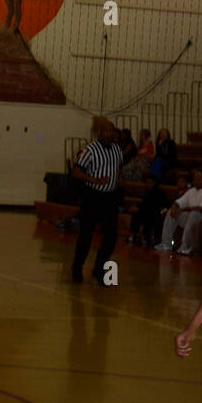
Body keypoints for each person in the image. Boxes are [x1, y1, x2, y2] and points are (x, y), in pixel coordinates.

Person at [70, 116, 123, 284]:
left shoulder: (117, 150)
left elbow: (119, 168)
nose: (110, 134)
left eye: (112, 131)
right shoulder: (90, 150)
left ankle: (99, 268)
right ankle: (77, 268)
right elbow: (76, 172)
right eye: (107, 131)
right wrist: (94, 180)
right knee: (86, 235)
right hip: (93, 196)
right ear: (100, 133)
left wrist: (118, 180)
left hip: (110, 197)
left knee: (111, 237)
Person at [154, 169, 202, 254]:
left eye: (199, 178)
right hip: (189, 216)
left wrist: (183, 209)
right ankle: (166, 243)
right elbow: (179, 202)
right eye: (195, 179)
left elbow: (201, 208)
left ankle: (185, 246)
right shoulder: (191, 191)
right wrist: (174, 208)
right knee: (171, 212)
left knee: (194, 214)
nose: (197, 180)